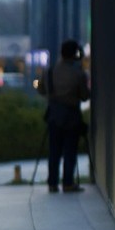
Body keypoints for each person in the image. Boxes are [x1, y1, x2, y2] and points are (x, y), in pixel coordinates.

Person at [39, 39, 90, 193]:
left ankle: (52, 183)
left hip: (54, 114)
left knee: (54, 151)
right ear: (75, 54)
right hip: (72, 115)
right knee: (70, 150)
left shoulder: (50, 71)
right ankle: (68, 182)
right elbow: (85, 96)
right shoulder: (78, 73)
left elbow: (41, 89)